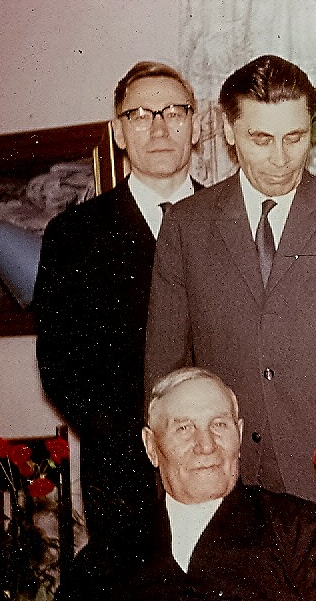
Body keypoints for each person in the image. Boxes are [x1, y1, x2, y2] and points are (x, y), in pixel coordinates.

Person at [144, 54, 316, 531]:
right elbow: (165, 376)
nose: (281, 158)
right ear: (229, 131)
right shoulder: (186, 227)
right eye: (260, 139)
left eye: (295, 137)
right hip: (224, 497)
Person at [23, 367, 316, 601]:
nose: (206, 445)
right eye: (184, 428)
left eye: (219, 425)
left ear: (239, 435)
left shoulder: (290, 522)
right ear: (151, 447)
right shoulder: (117, 545)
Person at [32, 61, 202, 541]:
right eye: (141, 115)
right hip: (123, 472)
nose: (160, 127)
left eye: (173, 112)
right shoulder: (73, 235)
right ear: (119, 132)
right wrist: (136, 438)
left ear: (195, 125)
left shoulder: (230, 223)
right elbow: (60, 367)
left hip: (222, 465)